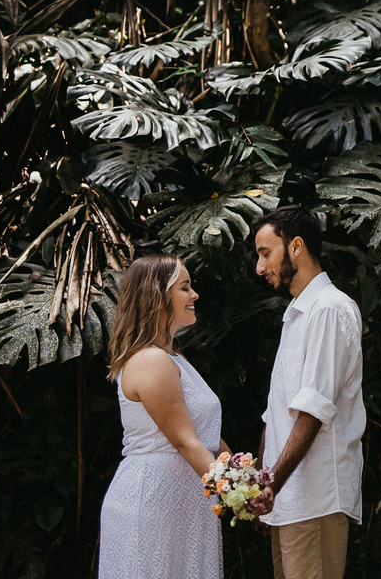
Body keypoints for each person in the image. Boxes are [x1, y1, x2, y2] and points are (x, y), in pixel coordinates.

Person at [250, 205, 365, 579]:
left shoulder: (329, 310)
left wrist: (270, 484)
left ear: (296, 246)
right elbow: (277, 413)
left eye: (266, 253)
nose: (260, 267)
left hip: (315, 498)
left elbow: (314, 409)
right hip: (288, 499)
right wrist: (264, 487)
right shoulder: (299, 313)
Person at [98, 253, 229, 579]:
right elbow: (186, 442)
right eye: (185, 288)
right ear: (158, 297)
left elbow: (205, 435)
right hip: (152, 503)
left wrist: (248, 479)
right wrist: (235, 495)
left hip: (185, 503)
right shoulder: (150, 361)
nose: (194, 295)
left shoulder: (175, 358)